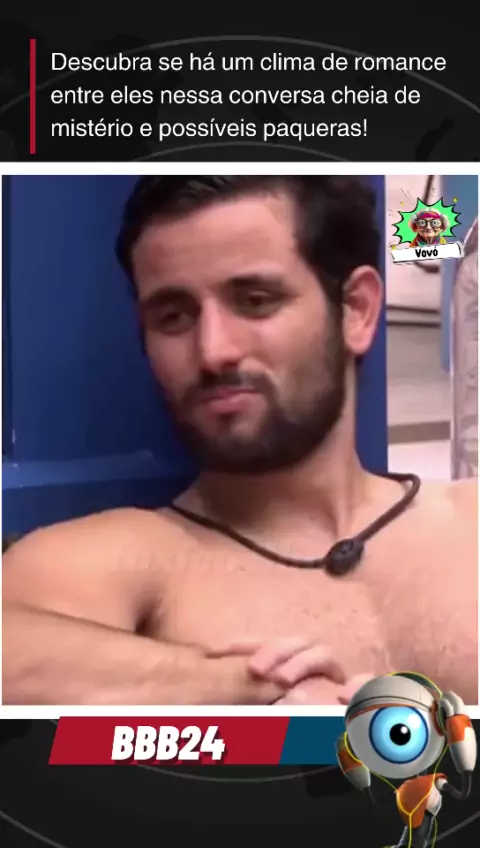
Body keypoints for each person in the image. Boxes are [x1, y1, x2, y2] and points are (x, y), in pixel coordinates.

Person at [2, 176, 477, 706]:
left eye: (255, 301)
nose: (213, 352)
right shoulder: (117, 559)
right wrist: (237, 689)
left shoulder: (470, 522)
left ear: (356, 310)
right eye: (173, 317)